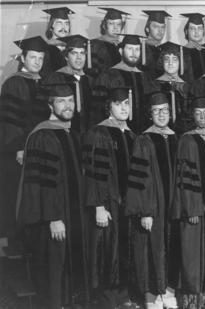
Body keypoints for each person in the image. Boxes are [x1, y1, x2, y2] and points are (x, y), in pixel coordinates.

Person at [17, 82, 89, 309]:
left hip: (72, 216)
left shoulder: (73, 134)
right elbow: (42, 182)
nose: (67, 105)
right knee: (53, 272)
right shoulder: (43, 135)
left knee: (68, 269)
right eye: (61, 101)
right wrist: (53, 218)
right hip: (53, 220)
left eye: (70, 100)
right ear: (50, 105)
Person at [83, 86, 137, 309]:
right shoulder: (98, 133)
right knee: (107, 250)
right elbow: (94, 172)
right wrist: (98, 206)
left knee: (124, 249)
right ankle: (107, 301)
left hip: (127, 206)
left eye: (126, 104)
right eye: (118, 104)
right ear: (109, 107)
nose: (123, 108)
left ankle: (123, 296)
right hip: (108, 205)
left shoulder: (132, 135)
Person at [126, 92, 179, 309]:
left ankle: (168, 292)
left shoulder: (177, 137)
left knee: (171, 247)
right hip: (153, 208)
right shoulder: (143, 139)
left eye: (165, 110)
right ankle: (151, 297)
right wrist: (145, 211)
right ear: (150, 114)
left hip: (173, 208)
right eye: (156, 111)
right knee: (151, 249)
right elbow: (140, 179)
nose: (161, 114)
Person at [172, 96, 205, 309]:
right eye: (198, 113)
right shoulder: (187, 140)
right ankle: (192, 299)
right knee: (192, 251)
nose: (202, 117)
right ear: (191, 115)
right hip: (195, 209)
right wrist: (191, 208)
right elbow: (185, 178)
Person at [0, 36, 50, 245]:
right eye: (33, 57)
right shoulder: (14, 83)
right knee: (16, 194)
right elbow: (10, 119)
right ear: (23, 57)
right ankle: (14, 242)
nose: (37, 62)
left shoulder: (44, 82)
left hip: (40, 148)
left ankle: (31, 240)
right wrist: (19, 148)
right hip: (19, 151)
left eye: (40, 58)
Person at [93, 34, 157, 134]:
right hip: (114, 133)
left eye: (137, 49)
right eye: (130, 49)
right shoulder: (107, 76)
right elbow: (98, 111)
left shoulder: (145, 78)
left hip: (142, 134)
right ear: (121, 51)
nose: (134, 53)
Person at [45, 34, 93, 133]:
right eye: (74, 53)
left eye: (82, 53)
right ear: (66, 56)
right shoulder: (55, 78)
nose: (79, 58)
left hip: (87, 134)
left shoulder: (90, 80)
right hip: (62, 132)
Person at [155, 41, 192, 134]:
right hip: (161, 132)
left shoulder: (187, 87)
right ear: (162, 62)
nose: (170, 63)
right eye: (167, 59)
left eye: (175, 59)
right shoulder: (154, 85)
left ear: (180, 62)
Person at [90, 7, 130, 75]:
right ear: (104, 25)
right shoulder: (94, 44)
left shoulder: (123, 46)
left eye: (118, 24)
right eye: (111, 23)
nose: (115, 27)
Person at [40, 7, 74, 78]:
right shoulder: (43, 49)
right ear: (51, 26)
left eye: (67, 23)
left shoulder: (72, 48)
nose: (64, 27)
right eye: (59, 23)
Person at [181, 13, 205, 82]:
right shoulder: (181, 52)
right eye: (192, 28)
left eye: (199, 28)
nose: (196, 32)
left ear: (203, 31)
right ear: (186, 31)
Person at [141, 10, 171, 78]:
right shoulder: (141, 49)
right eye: (156, 26)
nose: (160, 31)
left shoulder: (162, 49)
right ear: (147, 28)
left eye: (162, 27)